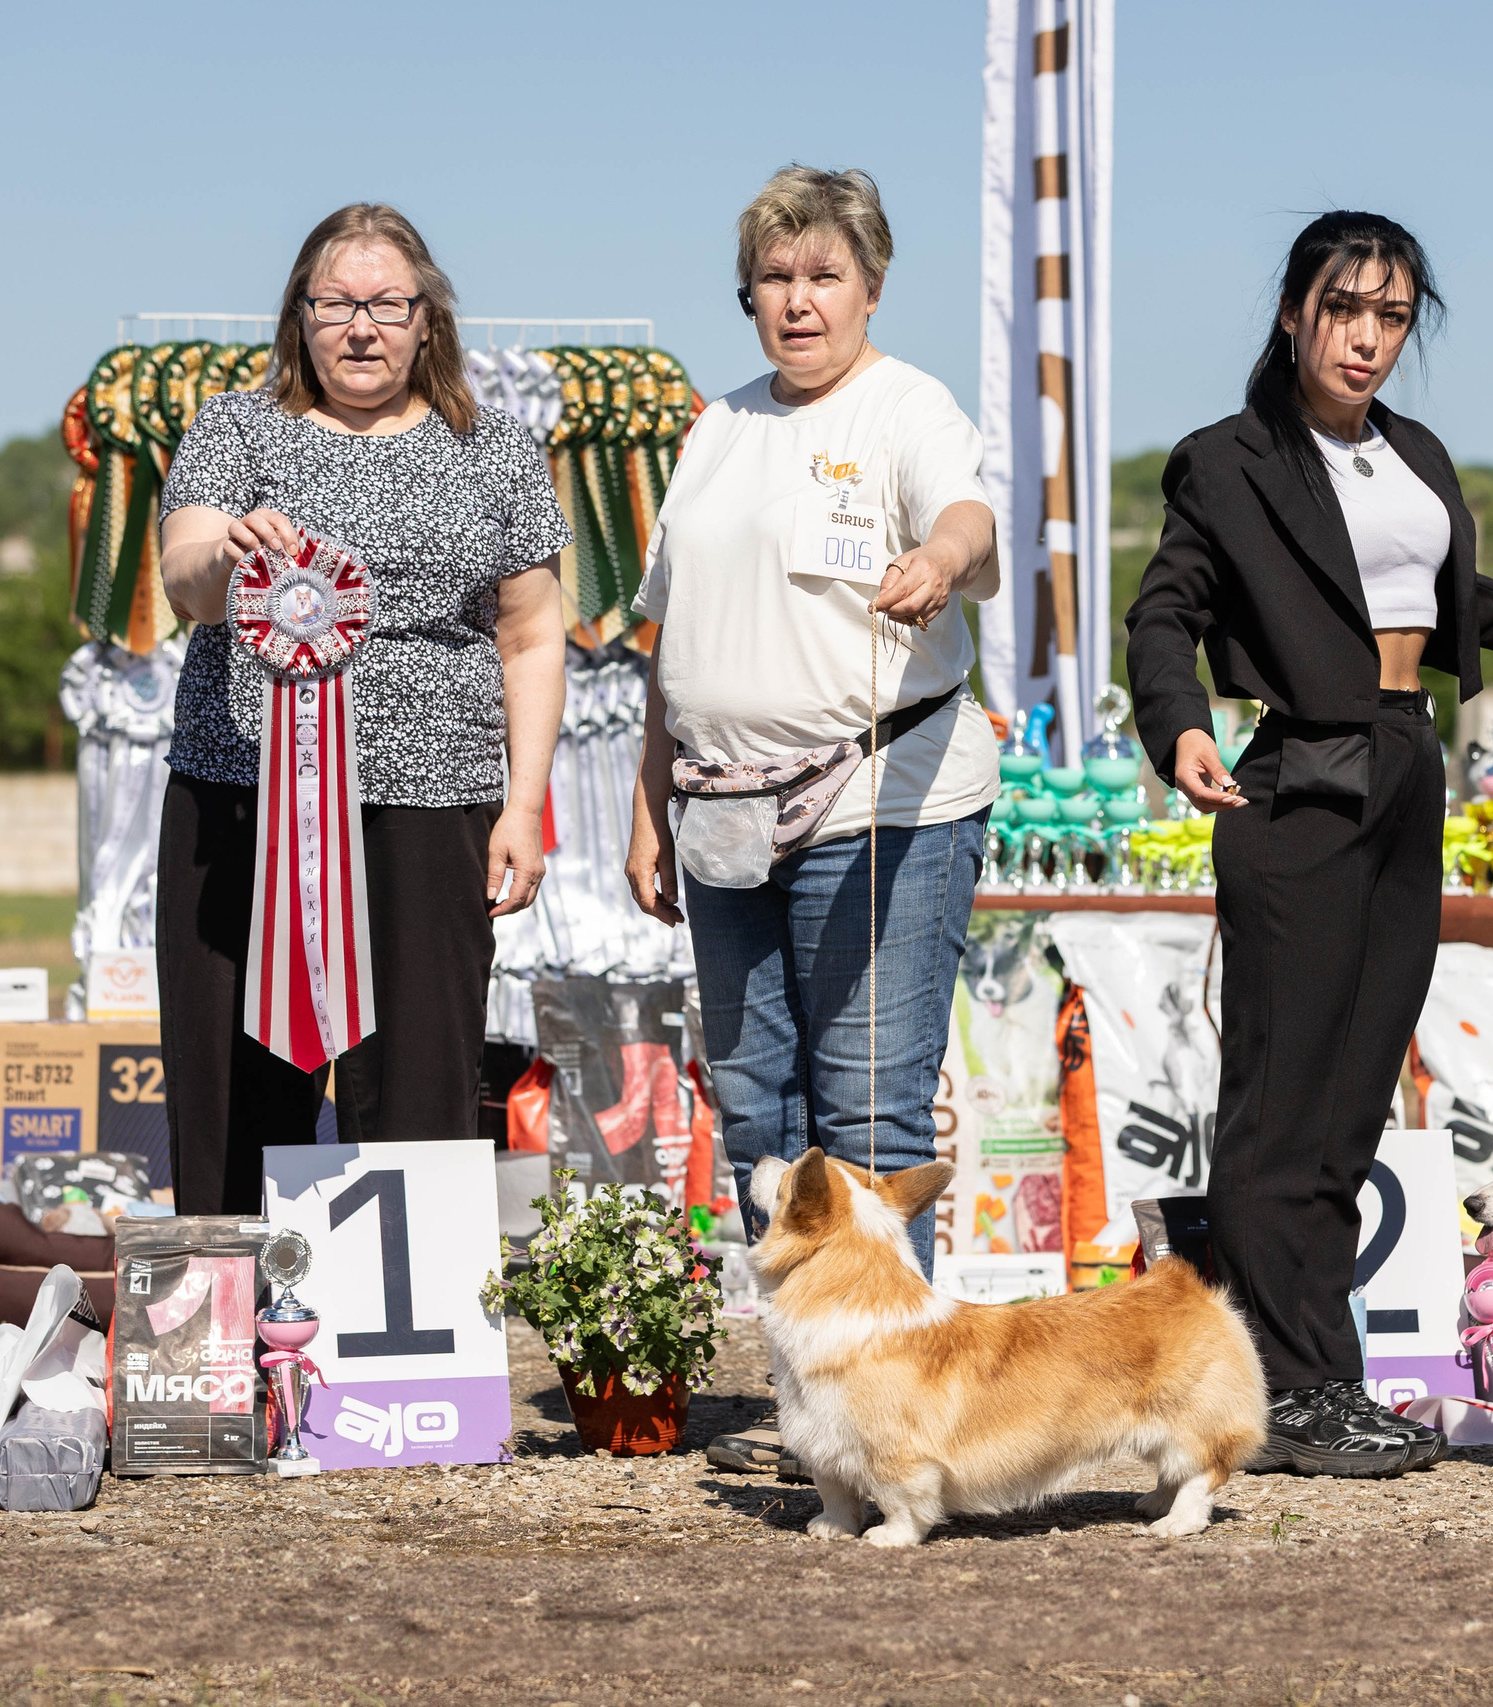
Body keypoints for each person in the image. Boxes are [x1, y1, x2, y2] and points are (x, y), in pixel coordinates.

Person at [1126, 211, 1493, 1478]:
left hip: (1406, 767)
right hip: (1295, 780)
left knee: (1352, 1102)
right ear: (1292, 313)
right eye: (1344, 309)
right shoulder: (1226, 460)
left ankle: (1313, 1377)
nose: (1366, 338)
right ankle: (1296, 1388)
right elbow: (1166, 609)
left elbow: (1443, 603)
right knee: (1281, 1106)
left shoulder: (1412, 454)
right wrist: (1176, 725)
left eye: (1391, 316)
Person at [621, 166, 998, 1477]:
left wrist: (939, 562)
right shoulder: (715, 428)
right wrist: (648, 797)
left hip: (881, 798)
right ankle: (813, 1399)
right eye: (776, 276)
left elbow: (972, 517)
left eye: (823, 273)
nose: (798, 298)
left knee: (870, 1111)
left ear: (871, 286)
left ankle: (900, 1418)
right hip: (720, 805)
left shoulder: (908, 407)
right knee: (756, 1103)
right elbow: (671, 633)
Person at [154, 203, 571, 1214]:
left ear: (429, 318)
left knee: (420, 1085)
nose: (361, 327)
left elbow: (531, 633)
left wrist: (522, 806)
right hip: (241, 805)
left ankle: (401, 1351)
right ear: (299, 315)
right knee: (235, 1085)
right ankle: (236, 1331)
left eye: (387, 303)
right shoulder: (235, 429)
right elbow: (184, 581)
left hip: (432, 810)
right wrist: (230, 555)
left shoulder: (497, 449)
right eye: (335, 302)